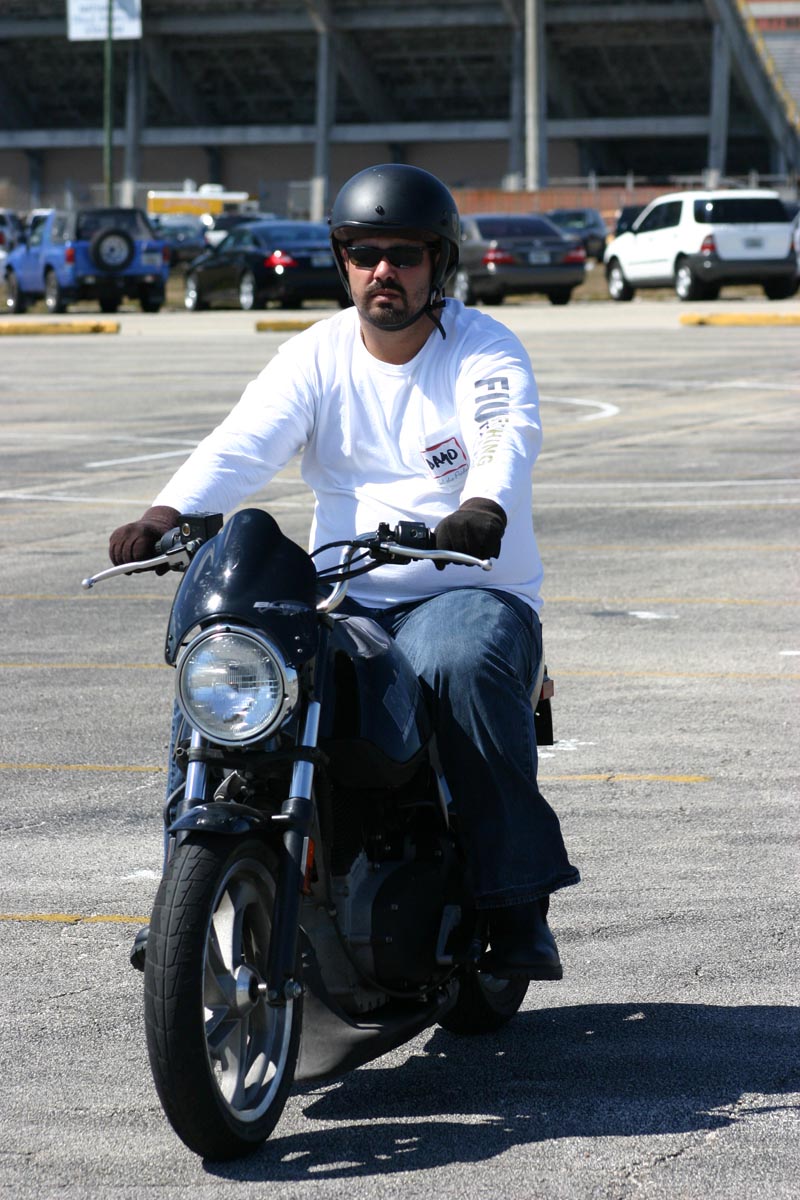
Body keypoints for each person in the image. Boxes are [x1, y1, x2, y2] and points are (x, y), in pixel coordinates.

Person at [109, 163, 579, 979]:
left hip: (466, 586)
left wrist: (484, 505)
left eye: (404, 254)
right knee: (228, 661)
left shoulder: (483, 347)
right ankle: (186, 888)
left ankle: (514, 902)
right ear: (343, 261)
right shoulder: (316, 354)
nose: (383, 271)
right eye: (365, 253)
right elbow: (243, 441)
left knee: (457, 661)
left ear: (439, 263)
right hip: (345, 594)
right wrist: (167, 512)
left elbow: (504, 432)